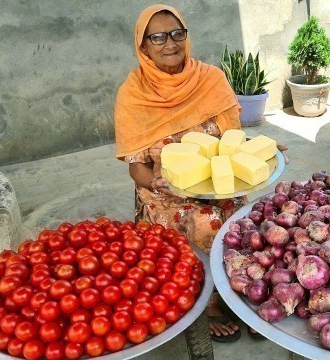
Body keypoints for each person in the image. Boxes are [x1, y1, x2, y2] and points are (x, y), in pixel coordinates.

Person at [114, 4, 282, 342]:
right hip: (166, 194)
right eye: (157, 37)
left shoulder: (210, 79)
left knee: (249, 223)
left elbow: (232, 140)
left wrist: (260, 150)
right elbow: (137, 168)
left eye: (178, 33)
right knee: (209, 224)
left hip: (219, 184)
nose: (170, 43)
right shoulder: (133, 95)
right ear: (143, 46)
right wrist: (157, 182)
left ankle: (242, 292)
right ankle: (211, 302)